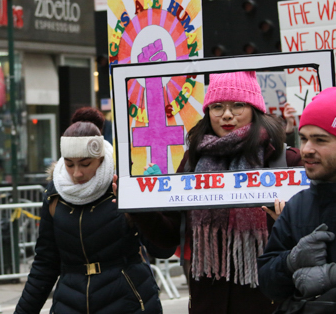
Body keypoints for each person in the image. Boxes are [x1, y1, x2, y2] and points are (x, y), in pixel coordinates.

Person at [124, 71, 303, 314]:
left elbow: (312, 234)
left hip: (269, 303)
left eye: (238, 105)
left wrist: (286, 223)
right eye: (217, 106)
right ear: (208, 111)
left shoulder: (285, 160)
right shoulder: (192, 161)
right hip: (208, 303)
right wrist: (141, 203)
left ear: (255, 109)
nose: (227, 115)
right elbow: (168, 238)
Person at [14, 121, 164, 314]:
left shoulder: (123, 186)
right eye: (69, 164)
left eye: (85, 164)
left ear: (101, 159)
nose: (77, 173)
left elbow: (161, 248)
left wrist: (151, 201)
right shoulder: (54, 195)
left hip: (128, 302)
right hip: (70, 304)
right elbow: (45, 264)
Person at [258, 87, 336, 303]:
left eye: (320, 140)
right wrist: (289, 262)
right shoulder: (297, 206)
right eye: (304, 138)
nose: (306, 149)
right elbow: (266, 284)